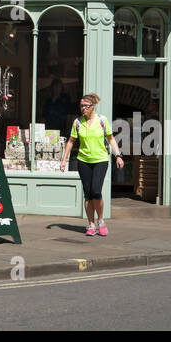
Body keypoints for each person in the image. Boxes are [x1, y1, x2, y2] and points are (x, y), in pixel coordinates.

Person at [59, 93, 124, 236]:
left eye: (86, 106)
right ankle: (91, 224)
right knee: (87, 194)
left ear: (92, 106)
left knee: (96, 191)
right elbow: (70, 141)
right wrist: (64, 160)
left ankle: (101, 220)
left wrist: (118, 155)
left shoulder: (102, 120)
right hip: (83, 161)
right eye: (81, 106)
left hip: (101, 160)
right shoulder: (77, 122)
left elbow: (111, 139)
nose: (83, 108)